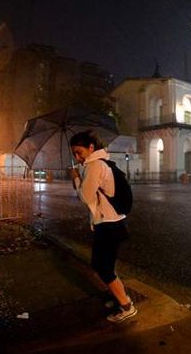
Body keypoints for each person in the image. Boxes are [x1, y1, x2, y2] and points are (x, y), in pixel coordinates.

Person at [69, 130, 137, 323]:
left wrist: (75, 178)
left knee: (103, 267)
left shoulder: (95, 165)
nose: (77, 157)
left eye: (79, 152)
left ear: (91, 147)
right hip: (110, 223)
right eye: (74, 153)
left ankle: (126, 306)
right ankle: (119, 298)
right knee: (102, 265)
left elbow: (85, 197)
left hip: (109, 225)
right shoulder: (98, 163)